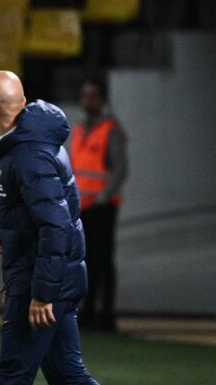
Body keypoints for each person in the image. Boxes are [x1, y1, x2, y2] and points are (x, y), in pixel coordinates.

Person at [0, 71, 140, 385]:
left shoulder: (29, 155)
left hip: (46, 282)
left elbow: (57, 228)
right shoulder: (24, 145)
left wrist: (40, 293)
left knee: (12, 375)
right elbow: (34, 218)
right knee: (67, 375)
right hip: (45, 274)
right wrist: (8, 239)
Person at [70, 78, 128, 331]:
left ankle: (106, 314)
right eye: (84, 96)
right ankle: (88, 311)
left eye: (92, 96)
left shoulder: (111, 130)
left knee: (102, 260)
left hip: (102, 207)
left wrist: (103, 197)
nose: (87, 101)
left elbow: (119, 169)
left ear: (101, 99)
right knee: (86, 260)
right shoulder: (79, 130)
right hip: (82, 206)